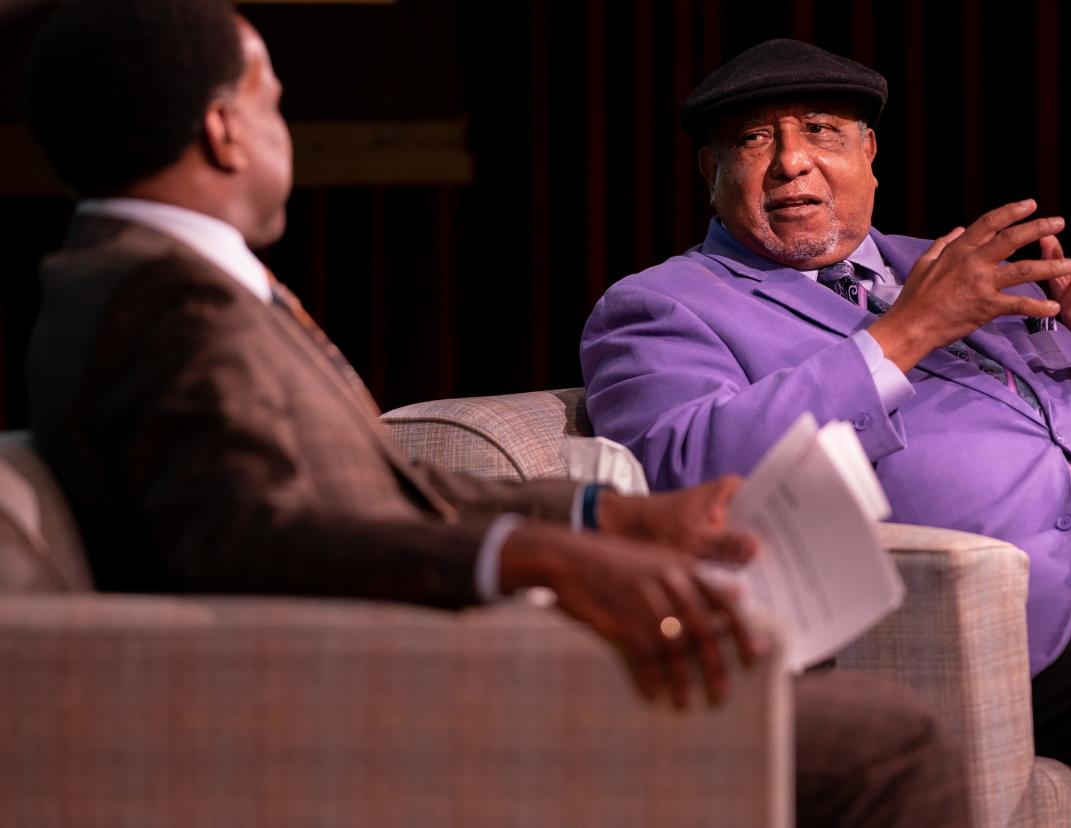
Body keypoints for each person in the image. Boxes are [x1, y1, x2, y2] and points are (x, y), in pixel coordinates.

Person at [20, 6, 968, 826]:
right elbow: (254, 534)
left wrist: (603, 517)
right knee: (890, 743)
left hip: (411, 658)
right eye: (273, 95)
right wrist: (537, 557)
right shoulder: (157, 304)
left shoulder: (155, 281)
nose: (284, 122)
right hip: (392, 700)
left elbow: (373, 490)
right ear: (226, 130)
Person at [581, 37, 1071, 826]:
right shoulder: (662, 305)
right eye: (756, 139)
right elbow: (680, 468)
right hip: (967, 614)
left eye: (822, 130)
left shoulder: (946, 262)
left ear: (870, 157)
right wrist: (902, 336)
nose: (792, 161)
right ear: (710, 173)